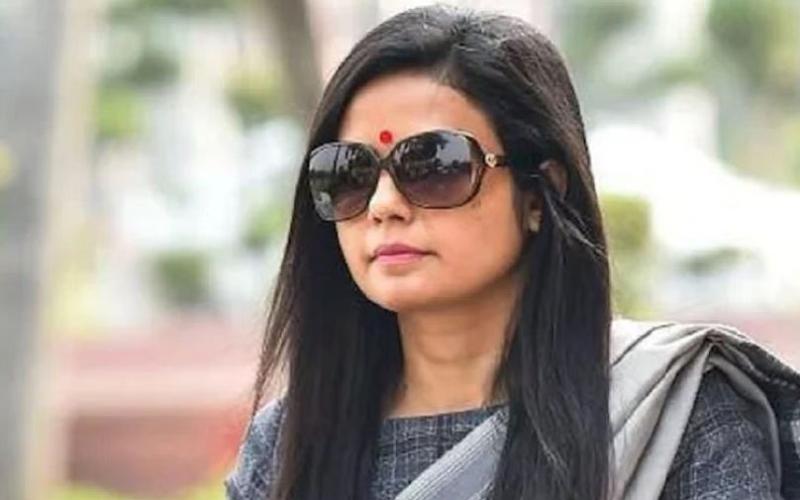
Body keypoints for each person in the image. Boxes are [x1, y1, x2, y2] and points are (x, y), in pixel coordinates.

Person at [224, 5, 800, 500]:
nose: (383, 205)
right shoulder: (289, 445)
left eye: (434, 165)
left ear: (540, 193)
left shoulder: (673, 413)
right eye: (348, 174)